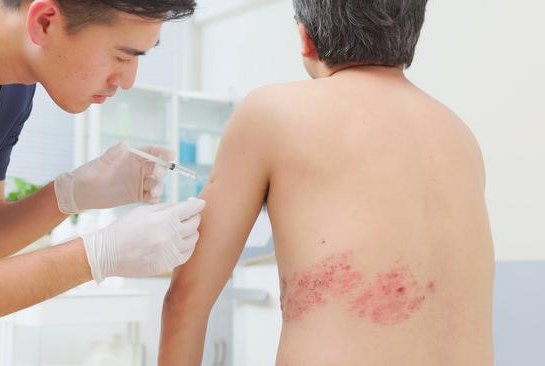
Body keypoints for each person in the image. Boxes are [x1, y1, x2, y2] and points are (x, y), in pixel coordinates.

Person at [159, 0, 494, 365]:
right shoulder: (458, 135)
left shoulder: (272, 113)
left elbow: (186, 300)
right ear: (412, 31)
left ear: (306, 39)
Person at [0, 0, 205, 340]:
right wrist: (95, 256)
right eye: (122, 56)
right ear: (44, 22)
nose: (128, 80)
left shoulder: (14, 84)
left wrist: (68, 195)